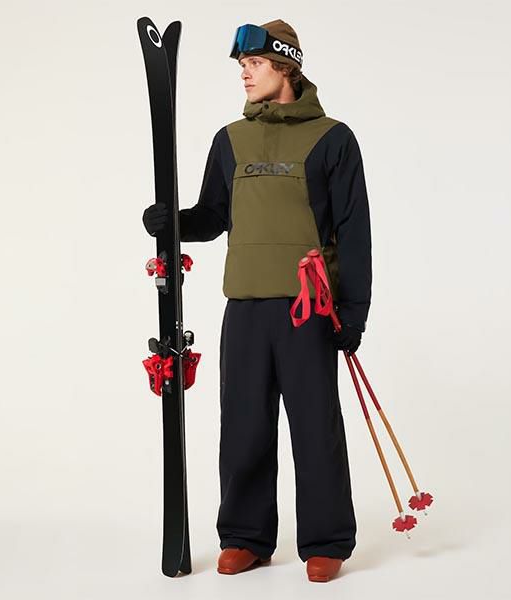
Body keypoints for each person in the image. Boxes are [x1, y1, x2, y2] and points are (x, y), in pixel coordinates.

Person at [142, 19, 372, 583]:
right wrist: (173, 223)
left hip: (307, 310)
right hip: (243, 308)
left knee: (315, 428)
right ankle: (245, 536)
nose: (244, 74)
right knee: (243, 424)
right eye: (242, 66)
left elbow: (353, 232)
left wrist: (353, 313)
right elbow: (213, 216)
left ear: (286, 66)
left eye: (255, 64)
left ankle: (326, 540)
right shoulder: (230, 140)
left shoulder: (333, 139)